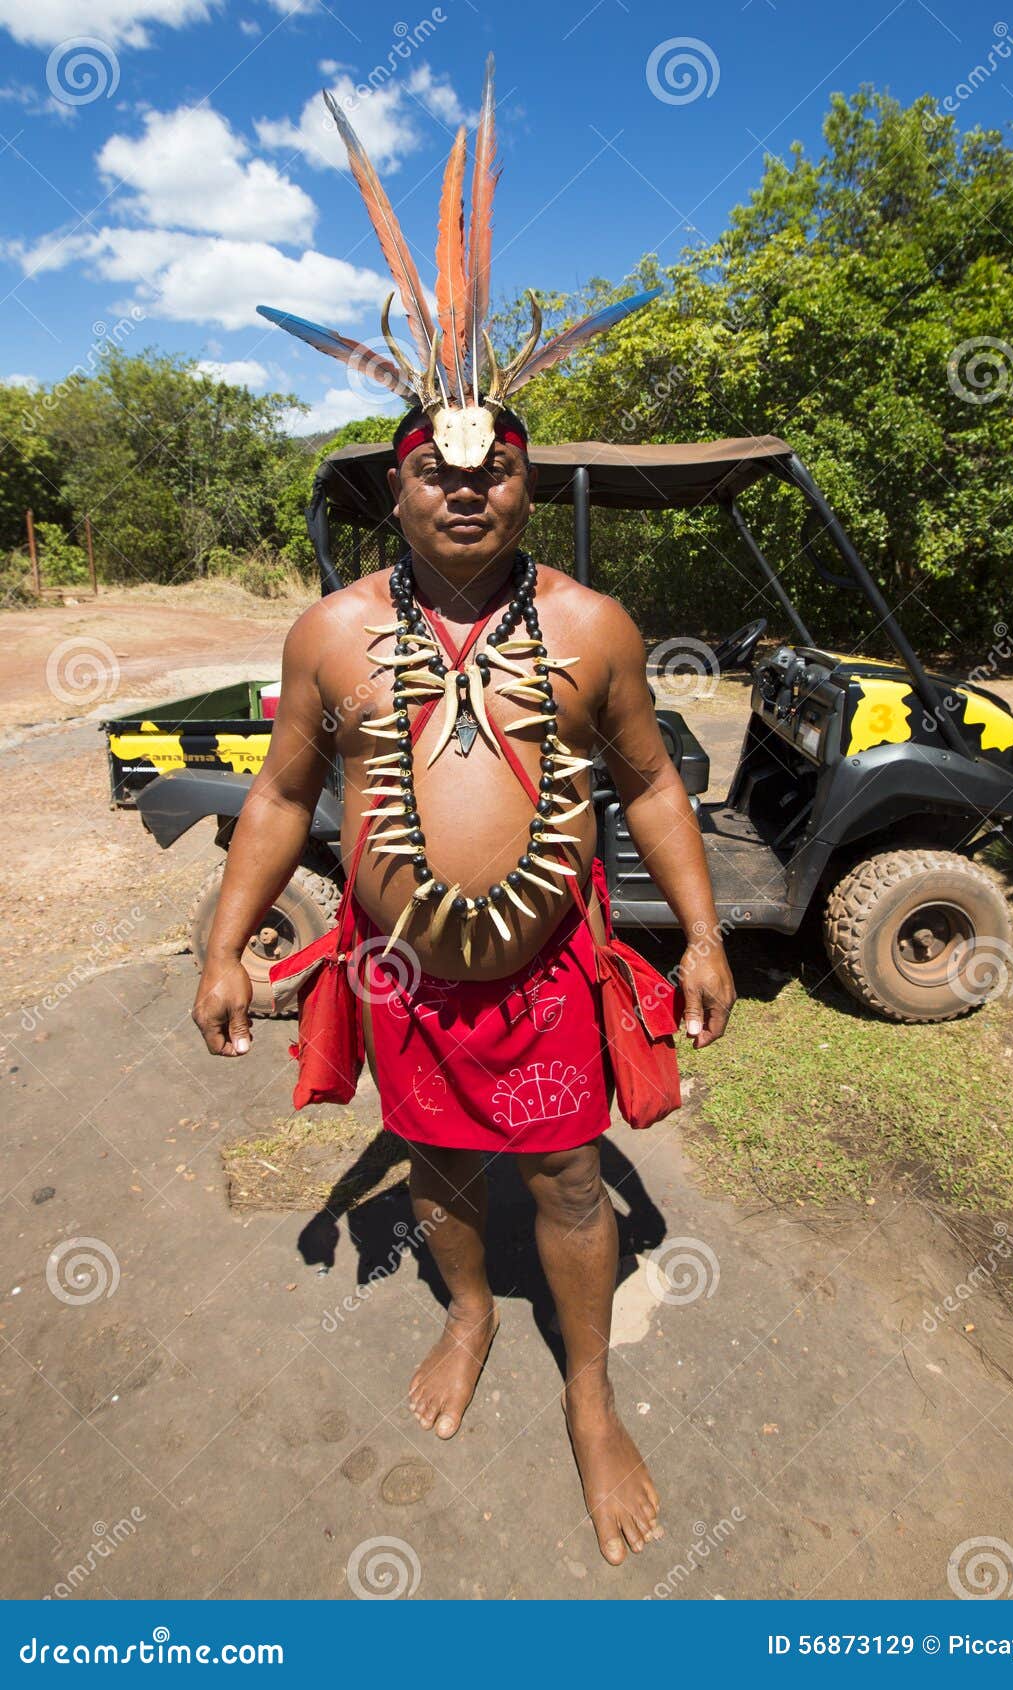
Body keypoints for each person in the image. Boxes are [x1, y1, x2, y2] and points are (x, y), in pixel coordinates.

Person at [192, 57, 735, 1566]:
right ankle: (474, 1308)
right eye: (439, 469)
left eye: (495, 468)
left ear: (526, 475)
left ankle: (589, 1391)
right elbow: (282, 793)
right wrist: (225, 941)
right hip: (400, 978)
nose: (470, 491)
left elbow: (645, 782)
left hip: (547, 975)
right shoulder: (326, 635)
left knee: (566, 1174)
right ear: (396, 484)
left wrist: (700, 931)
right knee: (434, 1172)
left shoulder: (592, 627)